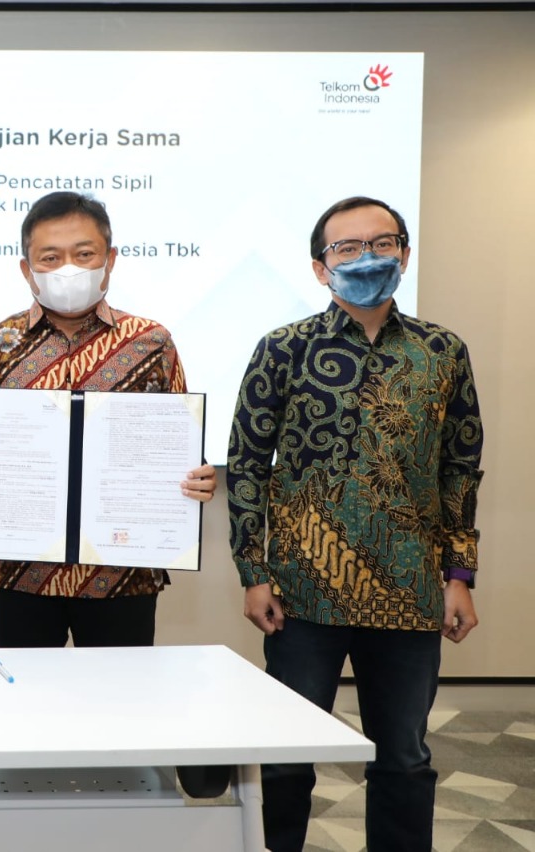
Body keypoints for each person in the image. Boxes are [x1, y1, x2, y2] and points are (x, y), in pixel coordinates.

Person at [226, 196, 482, 852]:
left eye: (382, 243)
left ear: (405, 254)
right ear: (321, 267)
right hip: (303, 591)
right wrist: (253, 573)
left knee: (404, 759)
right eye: (347, 248)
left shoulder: (443, 352)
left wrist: (459, 575)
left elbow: (460, 470)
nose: (367, 257)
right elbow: (248, 465)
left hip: (410, 591)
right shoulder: (282, 349)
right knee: (285, 758)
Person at [0, 191, 216, 648]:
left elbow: (177, 445)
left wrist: (196, 475)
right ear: (27, 269)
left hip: (122, 570)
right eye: (50, 257)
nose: (68, 268)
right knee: (25, 689)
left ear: (110, 259)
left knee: (121, 692)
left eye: (84, 254)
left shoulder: (152, 342)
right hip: (20, 570)